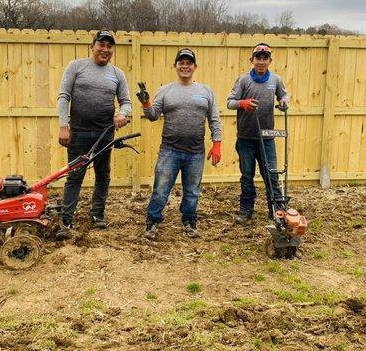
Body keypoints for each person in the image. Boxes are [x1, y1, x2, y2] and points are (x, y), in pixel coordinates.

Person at [136, 48, 222, 239]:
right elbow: (152, 116)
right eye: (181, 62)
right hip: (170, 151)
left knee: (192, 191)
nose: (185, 66)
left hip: (196, 152)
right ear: (175, 66)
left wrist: (217, 142)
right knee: (161, 188)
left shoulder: (205, 91)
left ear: (195, 67)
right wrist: (146, 103)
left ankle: (190, 220)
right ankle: (152, 221)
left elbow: (214, 119)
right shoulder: (165, 90)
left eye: (189, 63)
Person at [55, 30, 132, 240]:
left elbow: (126, 102)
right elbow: (63, 97)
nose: (105, 49)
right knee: (74, 176)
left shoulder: (117, 74)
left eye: (109, 46)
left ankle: (98, 214)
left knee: (103, 175)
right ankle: (66, 219)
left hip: (104, 133)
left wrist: (122, 114)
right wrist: (64, 126)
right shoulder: (76, 67)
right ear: (93, 46)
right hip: (78, 132)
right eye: (101, 45)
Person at [227, 43, 289, 224]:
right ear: (251, 60)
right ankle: (246, 211)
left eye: (265, 58)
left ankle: (277, 209)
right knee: (247, 176)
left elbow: (284, 96)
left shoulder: (275, 80)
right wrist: (243, 103)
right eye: (258, 58)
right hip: (246, 137)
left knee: (271, 174)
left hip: (267, 136)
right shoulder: (243, 80)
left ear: (270, 60)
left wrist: (284, 102)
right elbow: (230, 102)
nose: (261, 62)